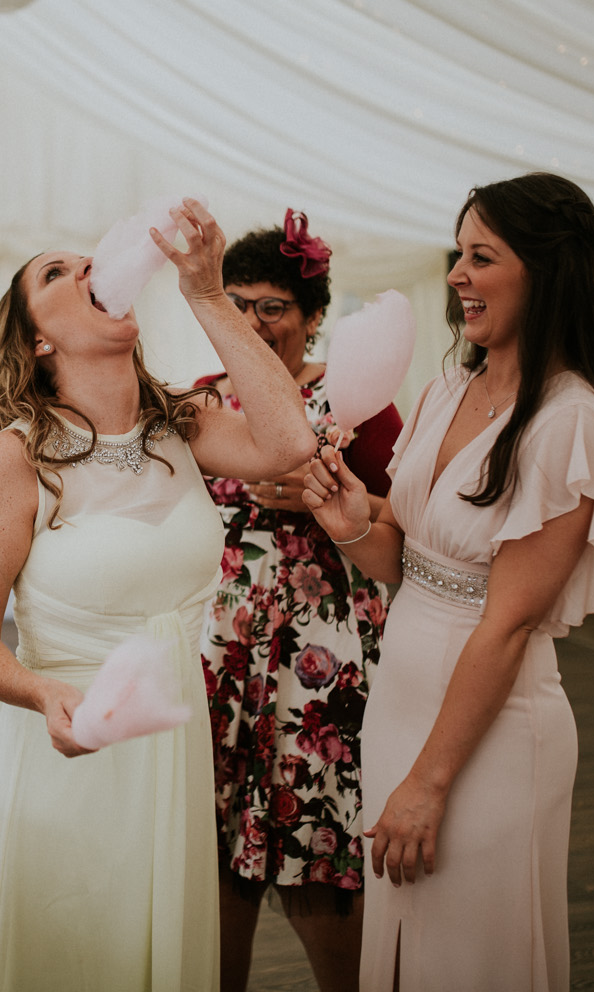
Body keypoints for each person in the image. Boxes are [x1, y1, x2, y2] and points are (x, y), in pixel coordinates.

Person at [0, 198, 318, 992]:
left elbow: (290, 443)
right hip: (70, 742)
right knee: (79, 946)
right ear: (37, 338)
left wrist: (208, 295)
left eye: (89, 260)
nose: (87, 266)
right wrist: (43, 691)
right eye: (56, 272)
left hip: (172, 738)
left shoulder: (179, 423)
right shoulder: (17, 461)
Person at [301, 172, 594, 991]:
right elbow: (410, 560)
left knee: (468, 954)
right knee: (404, 936)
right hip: (401, 700)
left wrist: (429, 782)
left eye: (481, 256)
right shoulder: (447, 386)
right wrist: (351, 516)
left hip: (488, 735)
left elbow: (504, 623)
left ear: (545, 270)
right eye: (458, 254)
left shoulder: (571, 420)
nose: (457, 274)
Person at [192, 211, 401, 992]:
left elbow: (405, 519)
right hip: (219, 654)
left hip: (323, 664)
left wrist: (327, 499)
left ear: (313, 317)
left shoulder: (359, 403)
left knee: (318, 838)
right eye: (237, 303)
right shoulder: (200, 403)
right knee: (214, 845)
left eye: (273, 306)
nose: (252, 321)